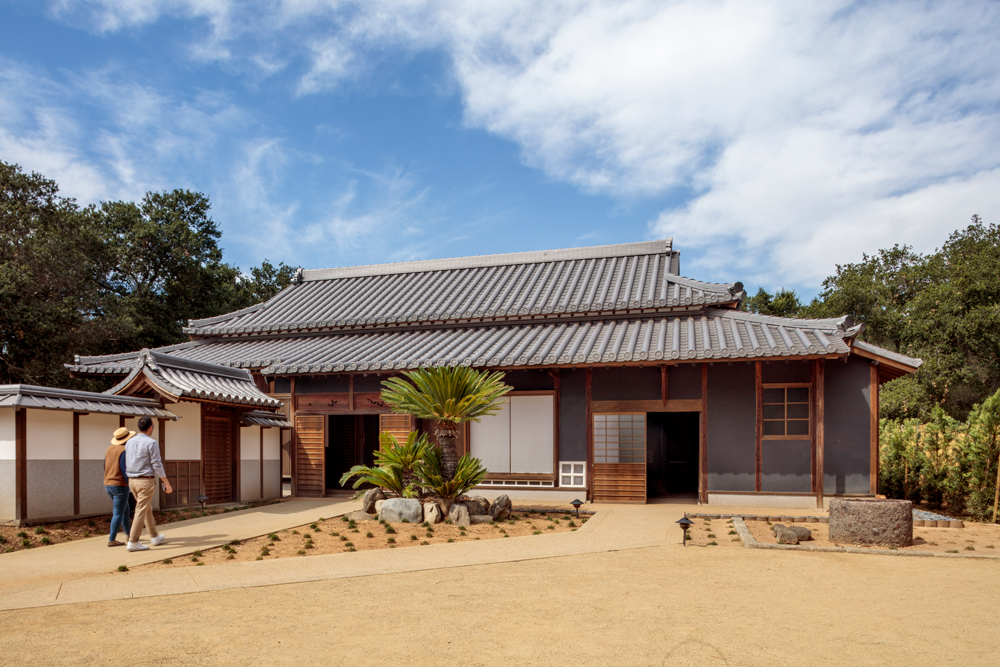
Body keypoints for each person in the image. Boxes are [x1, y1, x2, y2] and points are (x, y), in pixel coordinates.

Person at [124, 416, 173, 552]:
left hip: (132, 480)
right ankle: (133, 541)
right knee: (141, 509)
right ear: (151, 427)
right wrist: (166, 482)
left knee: (146, 508)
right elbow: (157, 464)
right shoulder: (151, 443)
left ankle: (154, 536)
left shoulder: (129, 442)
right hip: (145, 480)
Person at [104, 427, 135, 547]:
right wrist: (130, 483)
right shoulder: (124, 450)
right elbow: (124, 468)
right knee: (118, 512)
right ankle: (112, 539)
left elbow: (104, 466)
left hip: (108, 484)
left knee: (125, 509)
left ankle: (129, 534)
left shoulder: (109, 450)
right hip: (120, 485)